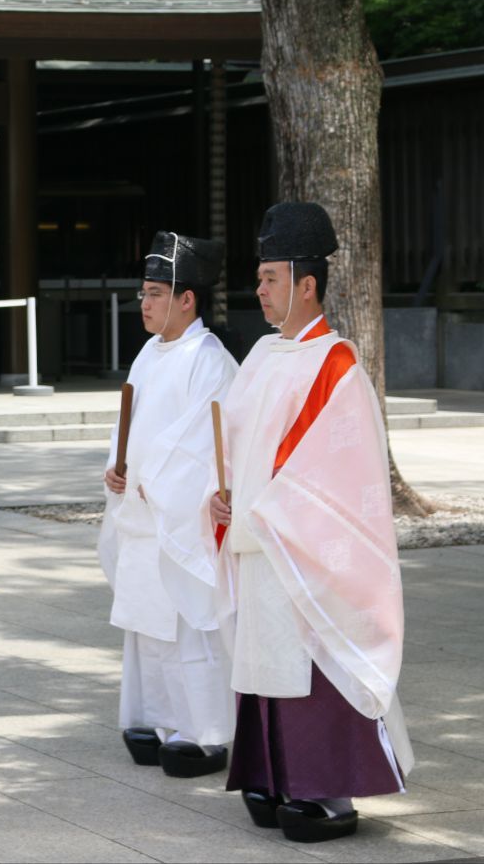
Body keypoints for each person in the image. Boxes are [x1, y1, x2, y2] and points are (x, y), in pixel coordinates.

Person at [210, 201, 413, 843]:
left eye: (270, 278)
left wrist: (262, 508)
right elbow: (240, 450)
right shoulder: (265, 356)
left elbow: (334, 472)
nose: (260, 290)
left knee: (310, 658)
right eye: (260, 277)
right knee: (265, 659)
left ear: (306, 283)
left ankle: (328, 792)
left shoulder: (336, 365)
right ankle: (273, 775)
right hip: (258, 536)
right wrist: (222, 499)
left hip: (300, 545)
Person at [99, 232, 238, 779]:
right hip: (140, 511)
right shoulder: (148, 353)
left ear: (188, 299)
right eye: (142, 294)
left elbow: (207, 446)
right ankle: (153, 718)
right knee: (146, 623)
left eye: (155, 293)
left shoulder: (210, 360)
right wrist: (117, 466)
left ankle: (202, 733)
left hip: (180, 516)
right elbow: (126, 428)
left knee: (186, 625)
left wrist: (155, 481)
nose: (145, 303)